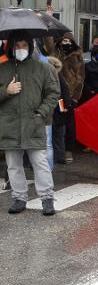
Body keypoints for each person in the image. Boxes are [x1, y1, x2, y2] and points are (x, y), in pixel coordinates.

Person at [0, 32, 60, 215]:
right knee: (13, 164)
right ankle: (19, 198)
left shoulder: (44, 68)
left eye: (24, 45)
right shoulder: (2, 69)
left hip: (34, 122)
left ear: (30, 47)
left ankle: (47, 198)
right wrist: (6, 90)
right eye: (17, 46)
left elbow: (53, 94)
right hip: (9, 124)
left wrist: (41, 113)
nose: (20, 49)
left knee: (39, 162)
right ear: (11, 47)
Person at [45, 32, 84, 164]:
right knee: (55, 122)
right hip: (55, 93)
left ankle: (67, 150)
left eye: (68, 41)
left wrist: (75, 98)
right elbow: (49, 46)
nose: (65, 43)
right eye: (64, 41)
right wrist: (48, 31)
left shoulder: (77, 57)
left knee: (67, 123)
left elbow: (81, 78)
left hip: (67, 97)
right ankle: (57, 152)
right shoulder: (56, 53)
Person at [47, 56, 71, 167]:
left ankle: (59, 156)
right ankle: (57, 157)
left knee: (58, 134)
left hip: (57, 109)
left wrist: (63, 108)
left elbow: (64, 93)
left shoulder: (59, 77)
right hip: (49, 109)